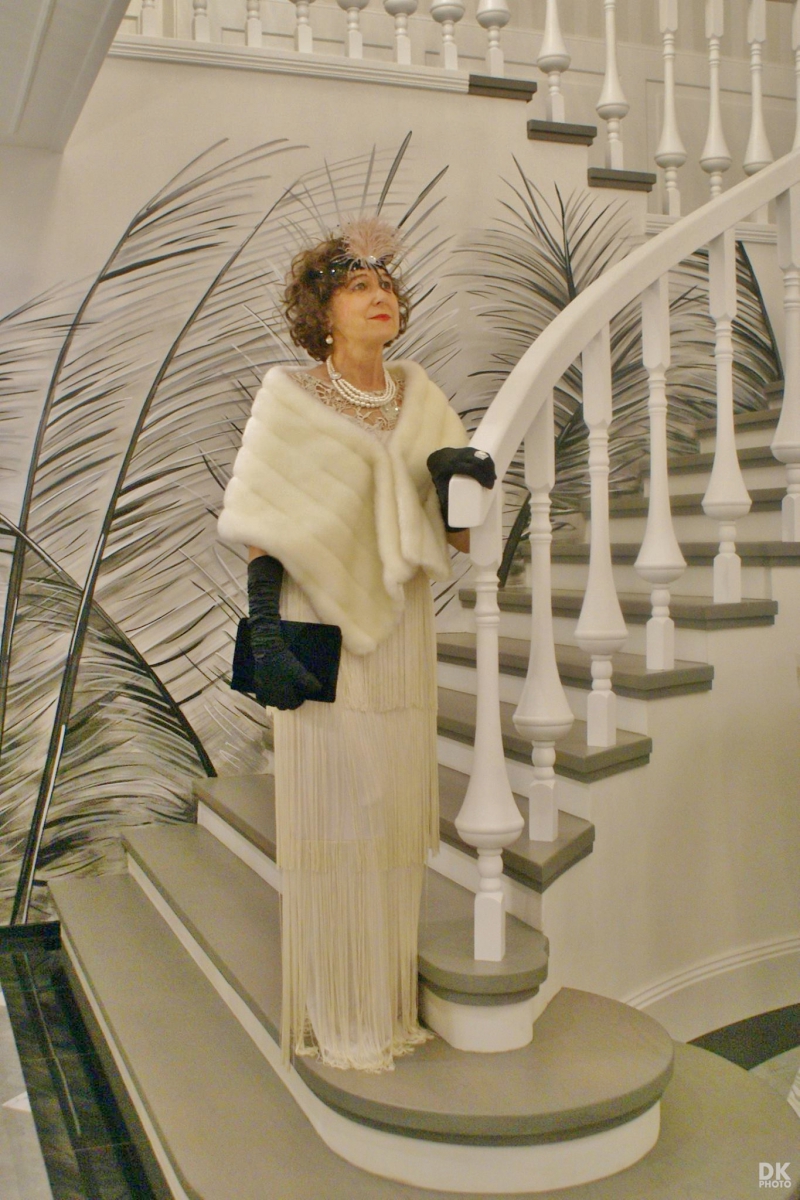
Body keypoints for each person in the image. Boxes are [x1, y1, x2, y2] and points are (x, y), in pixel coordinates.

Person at [218, 216, 495, 1072]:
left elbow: (460, 538)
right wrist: (266, 632)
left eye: (387, 286)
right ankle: (339, 1012)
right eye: (358, 287)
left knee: (391, 809)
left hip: (403, 625)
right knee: (337, 810)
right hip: (316, 621)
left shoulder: (422, 397)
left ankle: (384, 1002)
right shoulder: (290, 397)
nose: (380, 298)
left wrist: (465, 482)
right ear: (323, 314)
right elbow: (262, 525)